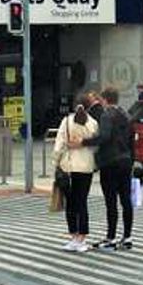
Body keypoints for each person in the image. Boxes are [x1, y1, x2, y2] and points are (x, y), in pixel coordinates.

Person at [75, 87, 135, 251]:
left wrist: (84, 142)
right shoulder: (127, 115)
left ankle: (111, 237)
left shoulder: (107, 115)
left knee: (111, 201)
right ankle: (127, 236)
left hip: (110, 162)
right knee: (126, 200)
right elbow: (132, 141)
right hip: (125, 161)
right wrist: (132, 161)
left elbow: (104, 137)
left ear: (105, 99)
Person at [52, 96, 98, 252]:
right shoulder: (93, 123)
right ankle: (82, 239)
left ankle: (73, 236)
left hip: (69, 166)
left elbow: (59, 145)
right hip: (86, 166)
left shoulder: (66, 121)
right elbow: (96, 146)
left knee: (70, 203)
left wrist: (56, 163)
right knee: (82, 201)